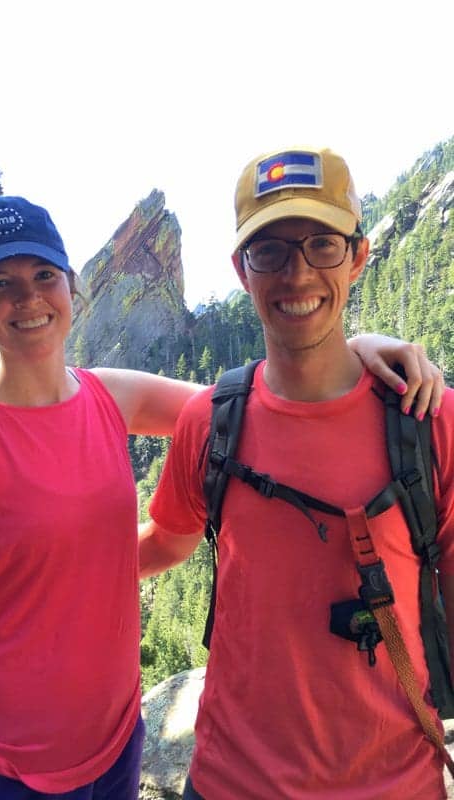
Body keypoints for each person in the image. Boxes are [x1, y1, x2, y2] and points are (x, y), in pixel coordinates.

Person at [0, 194, 442, 800]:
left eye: (43, 274)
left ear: (72, 284)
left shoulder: (111, 397)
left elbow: (269, 401)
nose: (28, 298)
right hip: (4, 754)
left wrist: (357, 345)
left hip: (114, 745)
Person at [139, 147, 454, 800]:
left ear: (358, 256)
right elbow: (164, 541)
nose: (298, 273)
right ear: (241, 270)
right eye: (271, 252)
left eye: (321, 245)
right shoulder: (210, 422)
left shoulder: (429, 418)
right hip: (230, 784)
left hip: (394, 784)